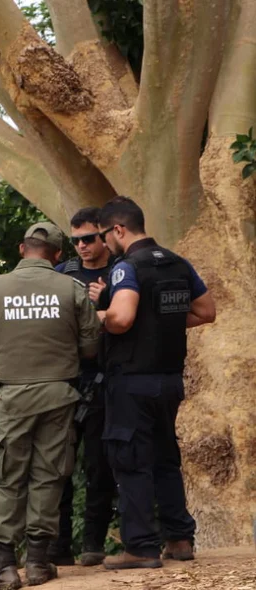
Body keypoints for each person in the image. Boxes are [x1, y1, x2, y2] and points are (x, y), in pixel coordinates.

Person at [0, 222, 102, 589]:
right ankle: (40, 563)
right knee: (49, 474)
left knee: (9, 477)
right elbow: (91, 347)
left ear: (21, 249)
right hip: (59, 394)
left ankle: (6, 567)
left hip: (13, 396)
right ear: (58, 255)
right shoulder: (71, 288)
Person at [94, 197, 216, 569]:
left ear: (118, 230)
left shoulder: (126, 267)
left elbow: (123, 318)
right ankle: (179, 539)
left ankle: (141, 547)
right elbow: (206, 312)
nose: (102, 244)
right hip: (169, 381)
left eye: (103, 235)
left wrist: (99, 314)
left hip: (133, 381)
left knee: (131, 461)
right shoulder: (178, 263)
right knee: (165, 458)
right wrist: (159, 323)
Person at [49, 208, 118, 567]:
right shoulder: (63, 275)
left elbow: (129, 321)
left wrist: (103, 303)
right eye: (75, 241)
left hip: (107, 380)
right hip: (67, 379)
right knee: (59, 466)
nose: (82, 247)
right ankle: (59, 546)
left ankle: (93, 544)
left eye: (88, 239)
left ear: (105, 236)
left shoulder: (121, 272)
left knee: (99, 467)